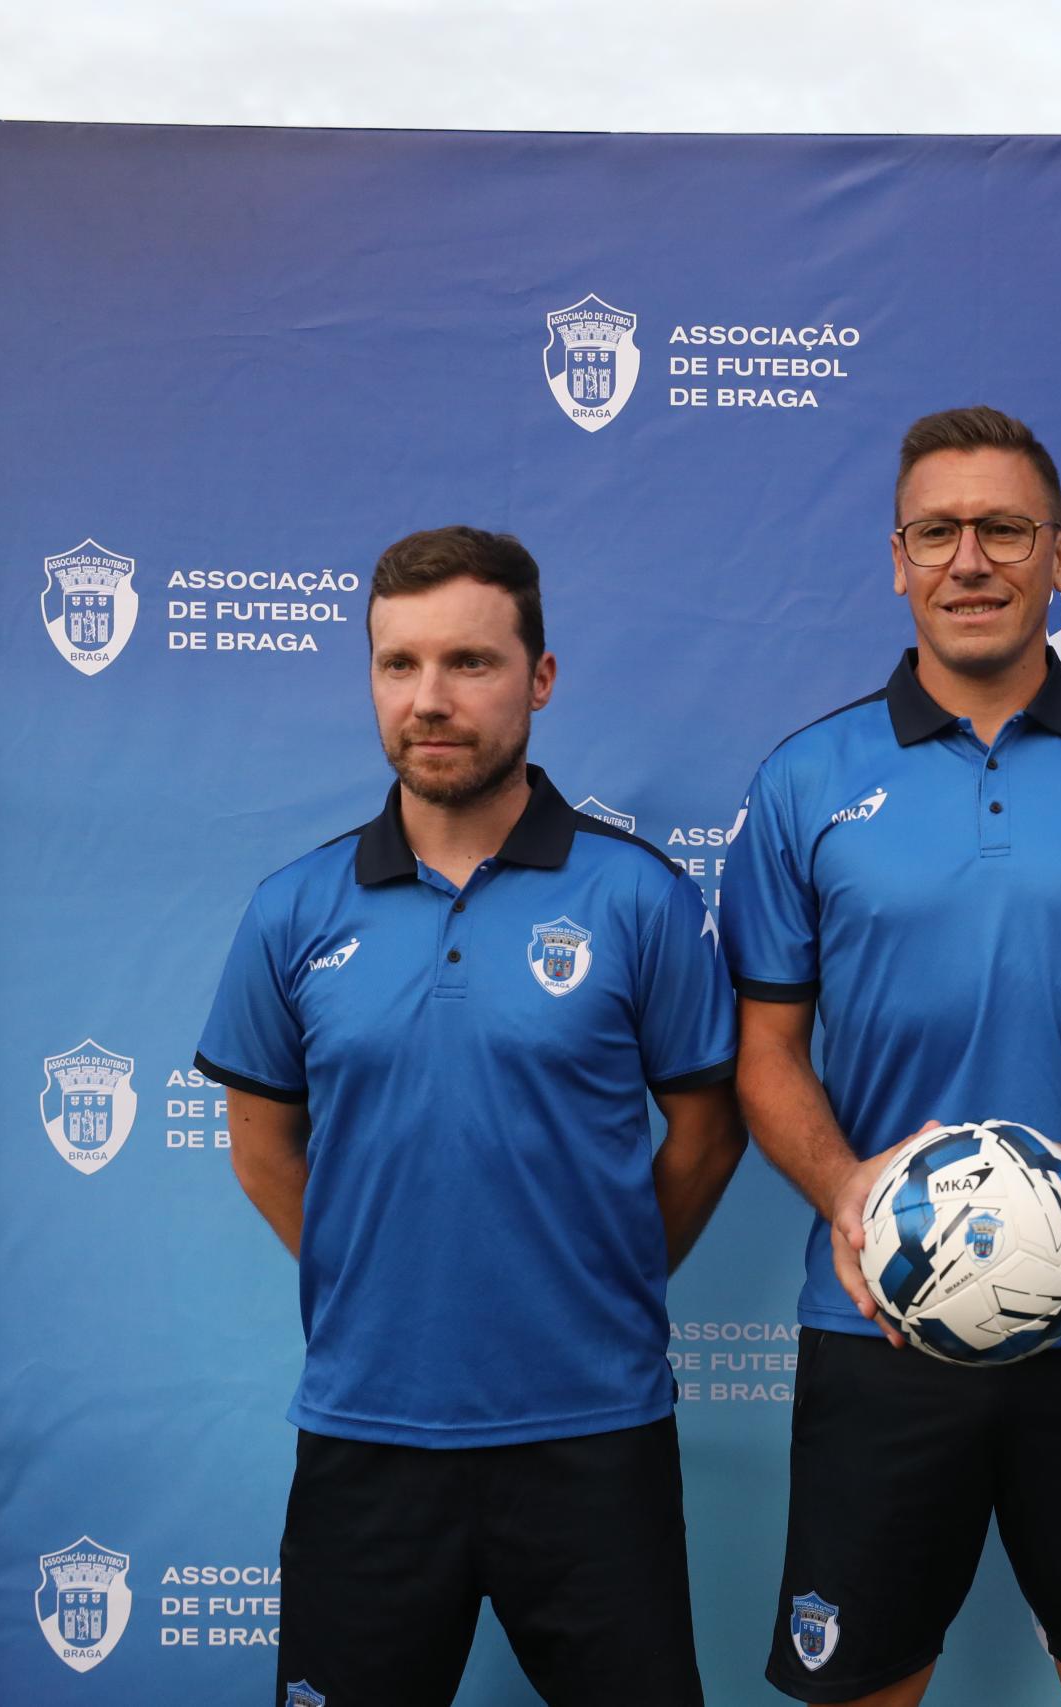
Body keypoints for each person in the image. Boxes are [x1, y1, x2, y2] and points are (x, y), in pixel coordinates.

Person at [721, 406, 1061, 1707]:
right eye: (938, 531)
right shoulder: (807, 779)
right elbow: (768, 1051)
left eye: (1004, 528)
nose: (971, 558)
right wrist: (848, 1191)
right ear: (898, 560)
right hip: (881, 1319)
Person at [195, 526, 744, 1707]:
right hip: (368, 1433)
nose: (429, 699)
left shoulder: (638, 895)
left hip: (593, 1432)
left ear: (539, 677)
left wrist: (602, 1273)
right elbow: (259, 1146)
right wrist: (373, 1274)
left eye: (469, 663)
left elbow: (706, 1132)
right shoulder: (294, 907)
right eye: (399, 665)